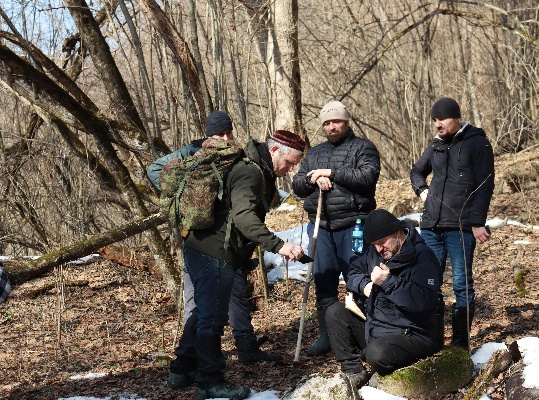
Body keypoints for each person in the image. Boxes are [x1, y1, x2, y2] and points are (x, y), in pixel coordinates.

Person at [150, 113, 306, 400]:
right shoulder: (250, 171)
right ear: (274, 150)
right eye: (289, 163)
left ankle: (181, 370)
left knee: (201, 312)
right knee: (213, 317)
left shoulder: (254, 168)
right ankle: (211, 381)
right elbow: (245, 218)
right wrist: (279, 245)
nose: (289, 170)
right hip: (214, 252)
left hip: (199, 245)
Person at [292, 100, 380, 356]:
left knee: (358, 279)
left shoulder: (363, 147)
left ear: (347, 122)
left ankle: (364, 333)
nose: (332, 127)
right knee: (323, 281)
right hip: (321, 226)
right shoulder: (314, 153)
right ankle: (328, 336)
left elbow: (367, 177)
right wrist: (313, 177)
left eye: (337, 122)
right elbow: (298, 184)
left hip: (354, 225)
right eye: (327, 123)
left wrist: (331, 172)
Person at [410, 97, 495, 350]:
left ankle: (461, 344)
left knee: (461, 283)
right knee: (428, 281)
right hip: (431, 226)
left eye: (442, 119)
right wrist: (423, 191)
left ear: (457, 118)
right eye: (434, 120)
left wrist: (478, 222)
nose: (438, 124)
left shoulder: (477, 143)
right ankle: (432, 339)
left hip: (461, 226)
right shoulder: (435, 146)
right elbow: (416, 171)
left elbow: (485, 184)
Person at [326, 209, 442, 388]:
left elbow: (423, 302)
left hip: (413, 333)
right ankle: (353, 371)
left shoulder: (423, 257)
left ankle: (384, 376)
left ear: (397, 233)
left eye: (382, 243)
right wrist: (365, 286)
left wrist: (388, 282)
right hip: (377, 326)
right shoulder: (376, 253)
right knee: (336, 312)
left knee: (377, 353)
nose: (379, 249)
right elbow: (353, 272)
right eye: (374, 244)